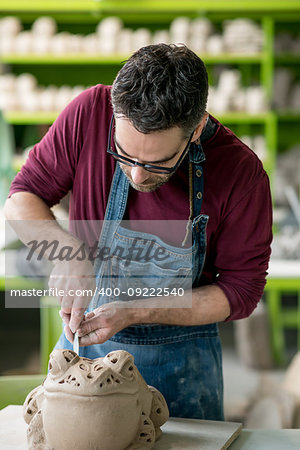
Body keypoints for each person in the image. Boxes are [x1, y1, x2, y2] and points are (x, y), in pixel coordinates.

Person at [4, 44, 272, 420]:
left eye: (157, 162)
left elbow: (242, 291)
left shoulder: (241, 173)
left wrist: (137, 310)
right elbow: (21, 198)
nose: (137, 175)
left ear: (195, 129)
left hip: (181, 369)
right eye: (123, 155)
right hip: (86, 350)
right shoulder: (89, 114)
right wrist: (65, 251)